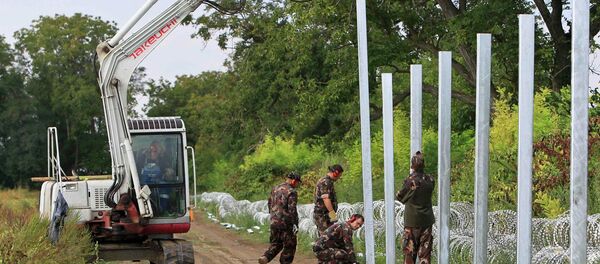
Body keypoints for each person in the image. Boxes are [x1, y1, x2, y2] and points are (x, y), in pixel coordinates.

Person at [396, 151, 435, 264]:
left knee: (410, 254)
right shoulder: (430, 179)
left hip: (412, 222)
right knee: (425, 255)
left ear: (412, 166)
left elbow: (400, 197)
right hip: (427, 221)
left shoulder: (410, 181)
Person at [258, 172, 302, 264]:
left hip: (274, 221)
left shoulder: (275, 188)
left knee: (276, 243)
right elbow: (292, 209)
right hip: (286, 223)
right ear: (294, 180)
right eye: (298, 182)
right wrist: (295, 224)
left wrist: (273, 216)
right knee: (290, 246)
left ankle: (265, 257)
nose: (297, 184)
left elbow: (269, 203)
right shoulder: (292, 191)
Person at [313, 164, 343, 236]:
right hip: (323, 215)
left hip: (324, 215)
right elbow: (326, 199)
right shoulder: (326, 182)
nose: (339, 178)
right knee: (325, 238)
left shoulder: (325, 181)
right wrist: (332, 213)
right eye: (339, 175)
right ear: (336, 173)